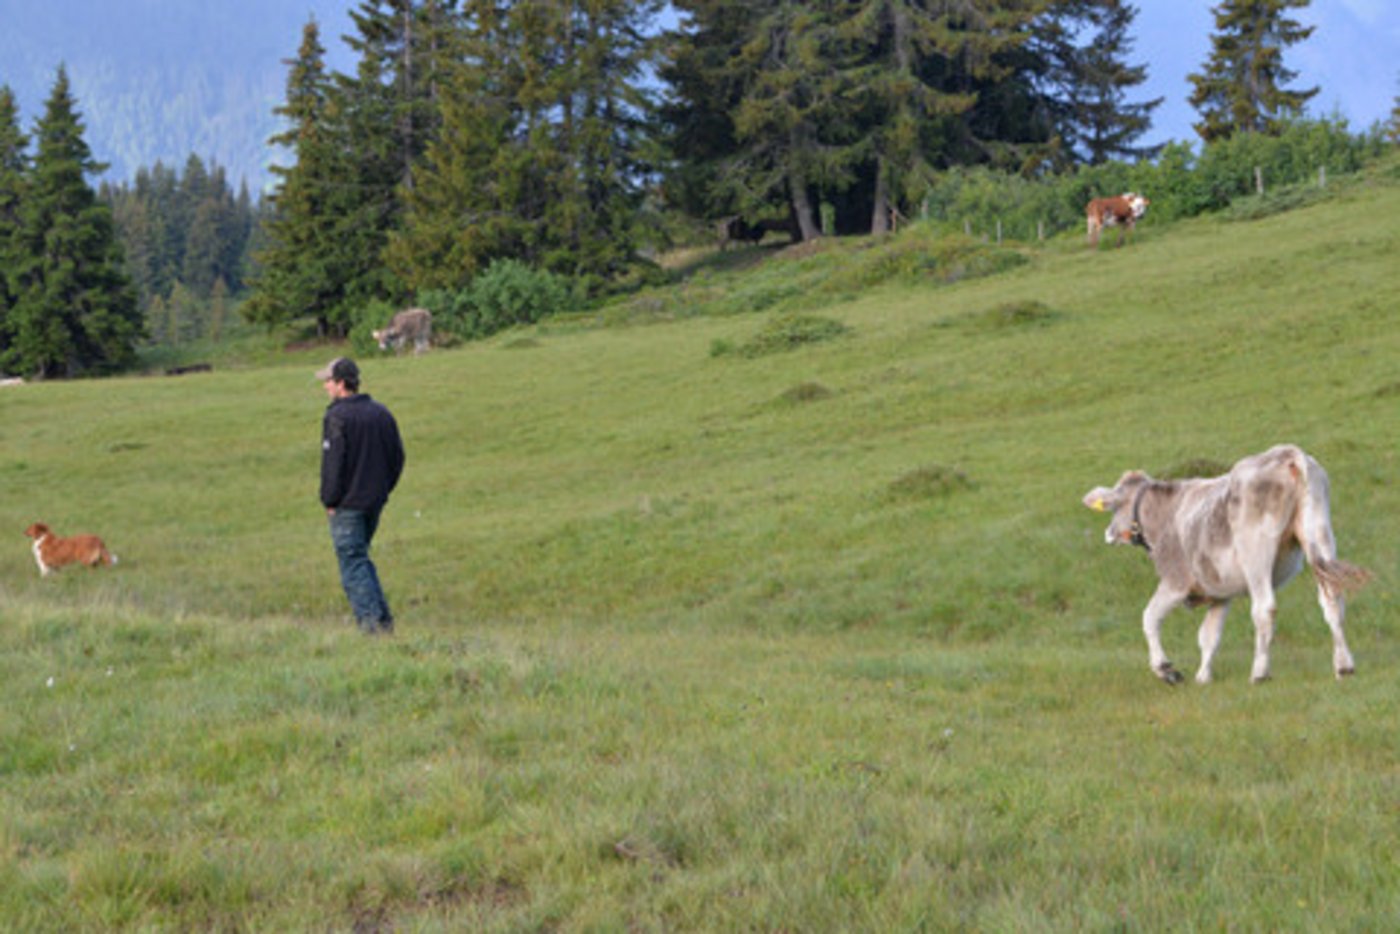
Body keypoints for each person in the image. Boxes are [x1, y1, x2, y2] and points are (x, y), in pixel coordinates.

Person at [316, 357, 405, 634]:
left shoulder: (337, 417)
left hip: (347, 505)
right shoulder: (381, 413)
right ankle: (383, 621)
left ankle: (371, 627)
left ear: (342, 384)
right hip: (374, 502)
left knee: (352, 563)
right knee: (361, 559)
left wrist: (330, 500)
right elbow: (397, 457)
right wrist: (383, 489)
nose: (325, 387)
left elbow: (334, 464)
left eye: (329, 381)